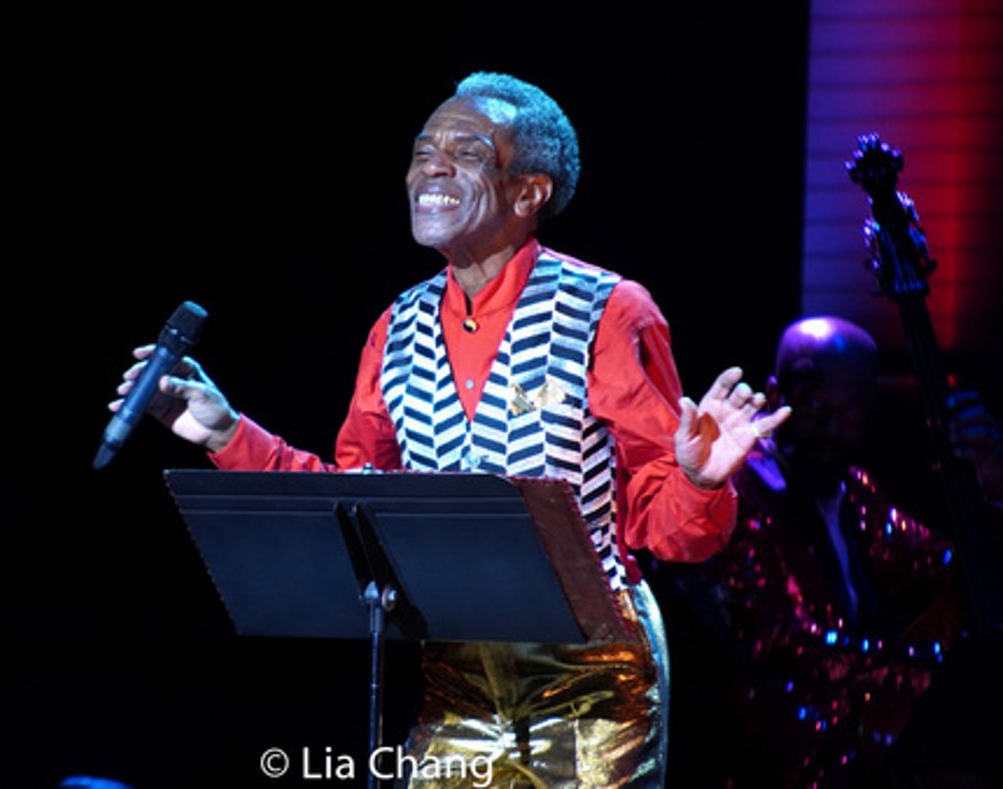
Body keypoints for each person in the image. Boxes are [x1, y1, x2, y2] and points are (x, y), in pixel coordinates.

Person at [111, 72, 789, 786]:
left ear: (530, 193)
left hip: (589, 678)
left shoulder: (609, 310)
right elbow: (356, 501)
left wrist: (697, 477)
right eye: (422, 149)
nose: (430, 166)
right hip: (458, 678)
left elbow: (670, 528)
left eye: (465, 152)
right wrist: (225, 433)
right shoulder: (396, 327)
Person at [655, 316, 1003, 787]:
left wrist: (999, 490)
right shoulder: (739, 493)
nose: (833, 420)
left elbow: (945, 566)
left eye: (852, 404)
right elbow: (787, 642)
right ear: (775, 393)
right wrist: (927, 670)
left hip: (858, 731)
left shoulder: (852, 489)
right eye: (814, 394)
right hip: (774, 750)